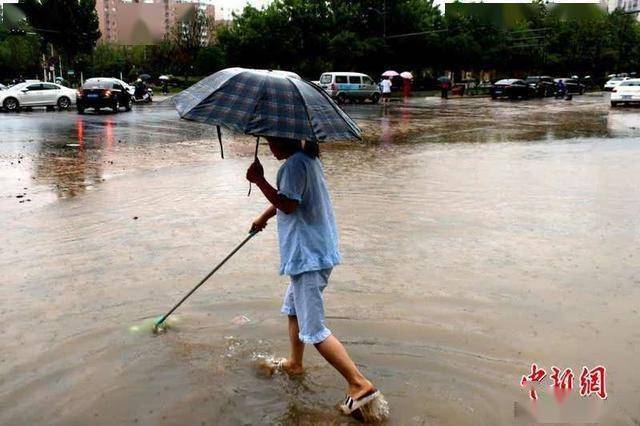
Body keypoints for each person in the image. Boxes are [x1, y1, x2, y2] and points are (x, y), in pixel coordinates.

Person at [246, 138, 384, 418]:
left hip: (308, 255)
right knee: (294, 311)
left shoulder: (293, 166)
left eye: (273, 140)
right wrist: (264, 216)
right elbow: (291, 198)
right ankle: (295, 363)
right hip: (317, 250)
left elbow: (288, 205)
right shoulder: (308, 160)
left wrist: (259, 181)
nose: (270, 146)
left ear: (286, 139)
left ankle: (359, 384)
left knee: (314, 328)